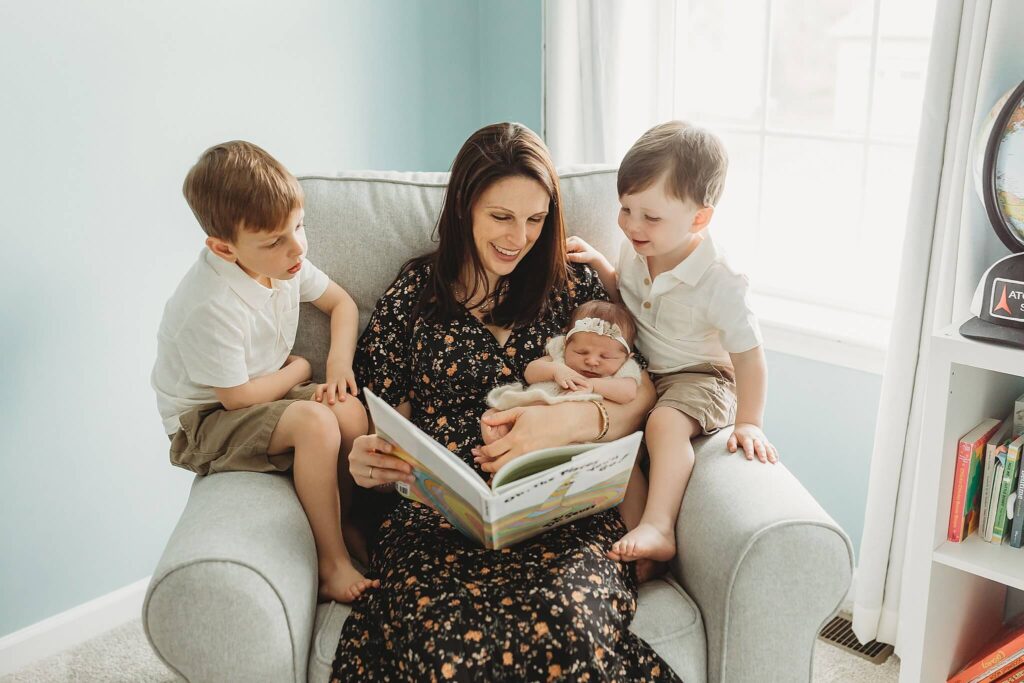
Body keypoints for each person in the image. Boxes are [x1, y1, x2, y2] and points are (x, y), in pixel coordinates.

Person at [332, 123, 680, 681]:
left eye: (536, 219)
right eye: (501, 217)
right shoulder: (412, 298)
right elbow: (380, 418)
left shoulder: (573, 290)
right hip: (437, 521)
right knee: (443, 647)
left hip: (563, 513)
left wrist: (571, 422)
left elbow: (642, 394)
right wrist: (363, 459)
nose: (519, 237)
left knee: (569, 625)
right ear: (464, 207)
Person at [151, 141, 374, 603]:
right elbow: (235, 398)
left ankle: (345, 519)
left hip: (260, 391)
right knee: (316, 424)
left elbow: (342, 304)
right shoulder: (210, 305)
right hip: (207, 417)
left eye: (299, 227)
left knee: (348, 412)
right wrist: (301, 370)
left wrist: (336, 365)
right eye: (275, 240)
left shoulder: (284, 263)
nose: (297, 247)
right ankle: (329, 563)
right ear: (223, 248)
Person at [566, 120, 778, 567]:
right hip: (646, 370)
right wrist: (602, 265)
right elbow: (625, 297)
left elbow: (749, 355)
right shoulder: (635, 248)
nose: (631, 225)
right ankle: (639, 546)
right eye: (625, 209)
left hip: (702, 377)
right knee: (618, 440)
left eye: (650, 216)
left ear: (699, 218)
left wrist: (750, 422)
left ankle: (660, 525)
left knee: (663, 425)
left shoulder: (721, 280)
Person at [480, 299, 641, 447]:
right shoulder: (560, 354)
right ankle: (497, 450)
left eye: (605, 357)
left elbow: (628, 393)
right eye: (581, 352)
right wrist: (556, 370)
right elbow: (530, 372)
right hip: (531, 410)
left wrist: (592, 385)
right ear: (566, 344)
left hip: (577, 432)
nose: (592, 361)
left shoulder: (624, 367)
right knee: (492, 417)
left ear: (627, 357)